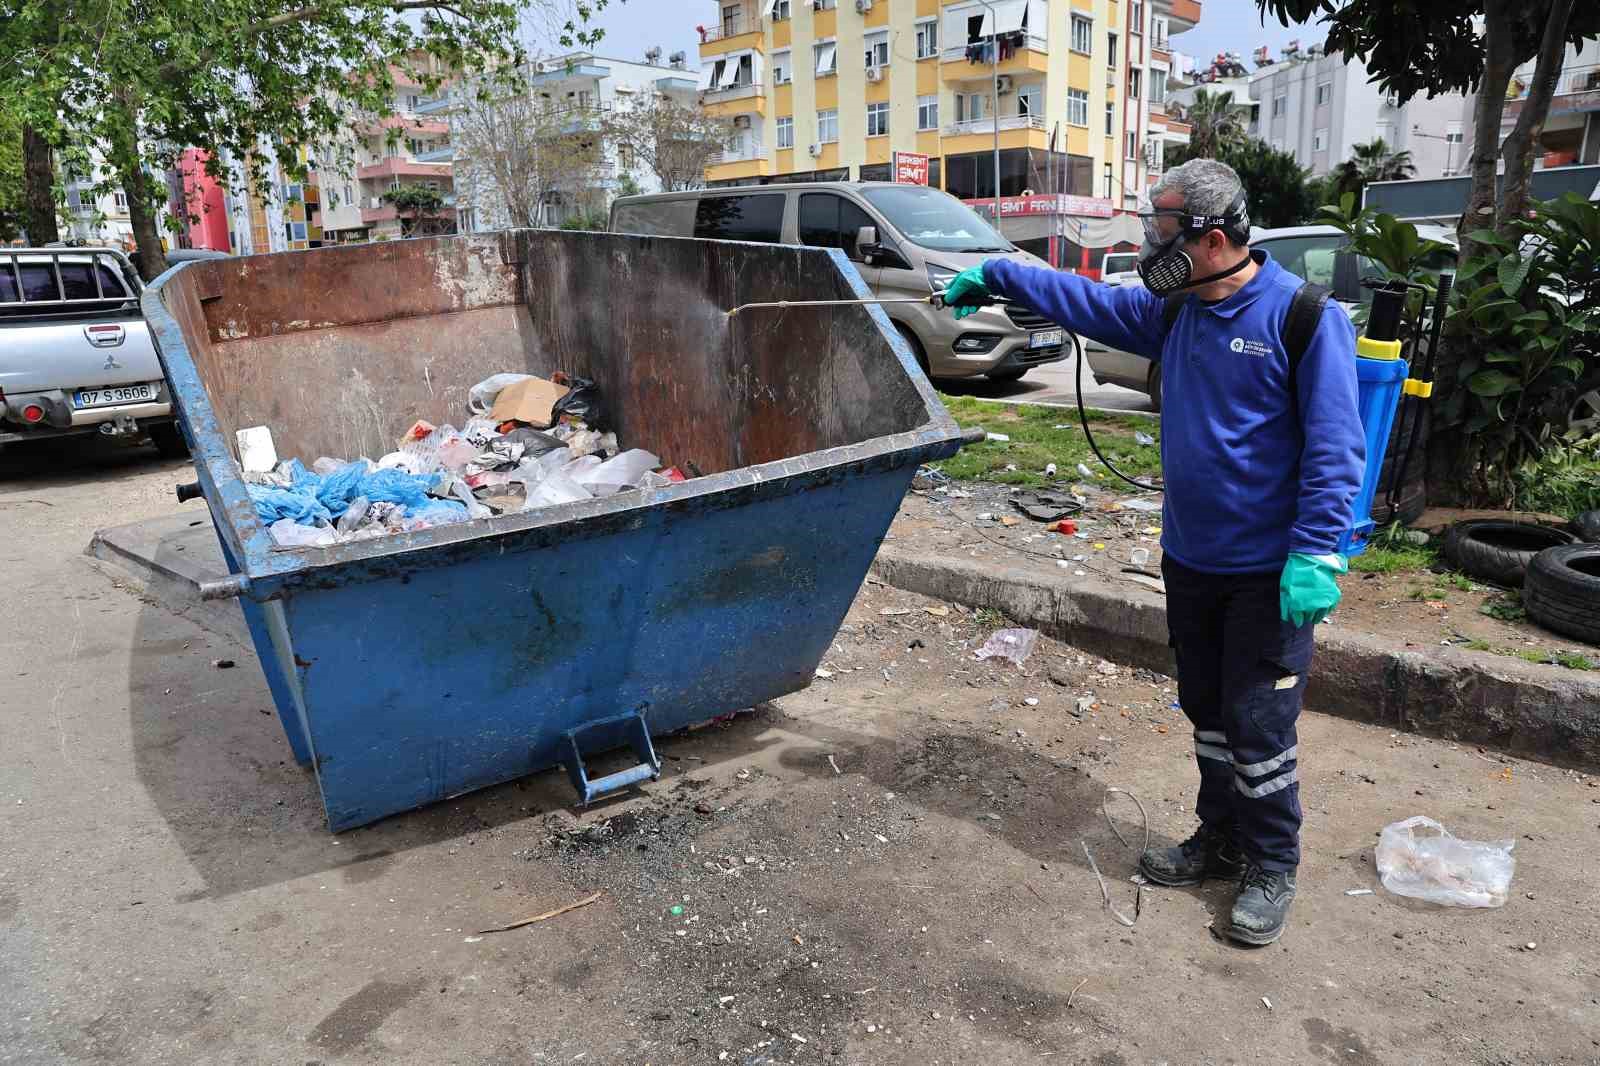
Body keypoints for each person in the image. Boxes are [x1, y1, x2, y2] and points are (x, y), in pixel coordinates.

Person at [942, 159, 1365, 946]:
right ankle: (1222, 836)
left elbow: (1340, 447)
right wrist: (1004, 271)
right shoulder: (1174, 312)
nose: (1148, 243)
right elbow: (1091, 302)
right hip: (1191, 559)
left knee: (1258, 722)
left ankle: (1273, 863)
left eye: (1161, 230)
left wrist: (1318, 551)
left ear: (1211, 238)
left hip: (1269, 572)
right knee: (1207, 710)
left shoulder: (1303, 318)